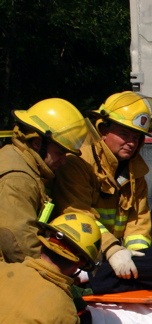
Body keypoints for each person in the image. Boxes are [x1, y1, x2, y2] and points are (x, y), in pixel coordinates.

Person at [53, 91, 152, 280]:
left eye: (137, 137)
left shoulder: (136, 172)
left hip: (116, 257)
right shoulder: (79, 162)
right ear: (103, 130)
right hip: (76, 256)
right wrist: (112, 249)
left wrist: (137, 255)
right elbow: (79, 214)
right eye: (124, 134)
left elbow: (138, 220)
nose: (131, 143)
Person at [0, 98, 91, 263]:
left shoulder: (18, 158)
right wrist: (53, 268)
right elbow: (16, 241)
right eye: (59, 153)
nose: (64, 161)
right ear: (37, 143)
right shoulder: (18, 180)